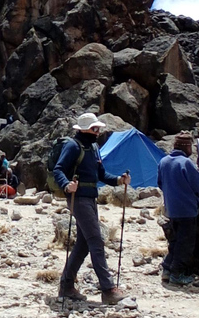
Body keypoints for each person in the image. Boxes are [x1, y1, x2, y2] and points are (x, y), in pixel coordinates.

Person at [53, 112, 130, 305]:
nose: (97, 132)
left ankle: (66, 286)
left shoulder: (94, 147)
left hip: (89, 199)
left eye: (98, 128)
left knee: (84, 243)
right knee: (96, 240)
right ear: (85, 129)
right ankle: (108, 289)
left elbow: (101, 174)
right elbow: (58, 169)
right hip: (77, 198)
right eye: (94, 129)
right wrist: (66, 185)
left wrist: (119, 180)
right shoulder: (73, 146)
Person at [157, 132, 199, 286]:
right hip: (187, 210)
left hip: (171, 209)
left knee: (175, 241)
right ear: (186, 147)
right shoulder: (186, 163)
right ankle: (177, 274)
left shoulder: (164, 161)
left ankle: (167, 269)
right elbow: (198, 187)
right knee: (185, 244)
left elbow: (159, 183)